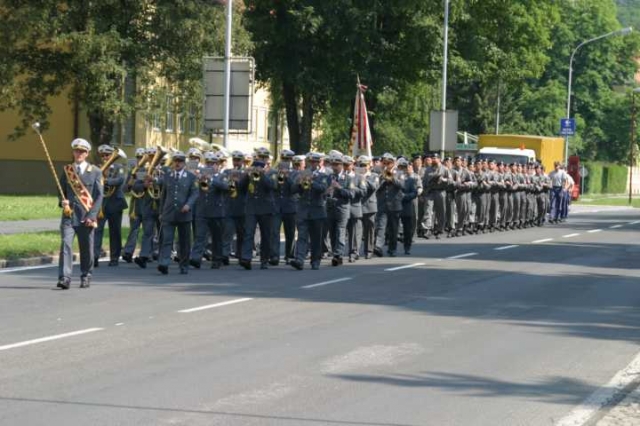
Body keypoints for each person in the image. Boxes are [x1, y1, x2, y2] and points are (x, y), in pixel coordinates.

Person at [57, 138, 103, 289]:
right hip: (69, 216)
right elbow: (61, 191)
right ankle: (65, 277)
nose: (79, 154)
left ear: (87, 153)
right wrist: (62, 202)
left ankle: (86, 275)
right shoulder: (67, 170)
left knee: (86, 248)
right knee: (66, 245)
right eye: (77, 151)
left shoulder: (95, 171)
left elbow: (99, 196)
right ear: (73, 152)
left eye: (82, 151)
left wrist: (92, 216)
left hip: (86, 216)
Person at [156, 151, 199, 275]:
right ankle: (164, 263)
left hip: (184, 214)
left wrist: (188, 205)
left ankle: (184, 265)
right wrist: (161, 212)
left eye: (180, 161)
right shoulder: (168, 175)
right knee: (166, 239)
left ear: (184, 163)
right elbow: (163, 195)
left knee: (184, 242)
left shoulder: (191, 177)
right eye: (175, 161)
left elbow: (195, 193)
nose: (177, 163)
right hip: (169, 213)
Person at [290, 153, 330, 270]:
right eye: (310, 162)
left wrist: (312, 182)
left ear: (319, 163)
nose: (312, 164)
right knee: (302, 236)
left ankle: (315, 260)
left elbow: (323, 189)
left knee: (316, 238)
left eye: (315, 162)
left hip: (317, 211)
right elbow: (293, 190)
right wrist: (298, 183)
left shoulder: (324, 175)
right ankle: (299, 260)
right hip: (303, 210)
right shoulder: (302, 174)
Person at [93, 144, 127, 267]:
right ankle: (94, 256)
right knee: (97, 230)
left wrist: (105, 181)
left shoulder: (119, 167)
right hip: (101, 204)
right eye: (102, 155)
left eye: (107, 155)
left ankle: (114, 257)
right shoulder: (96, 168)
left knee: (115, 231)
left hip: (115, 203)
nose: (105, 157)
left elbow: (121, 180)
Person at [239, 158, 276, 270]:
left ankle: (264, 259)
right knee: (249, 233)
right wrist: (246, 175)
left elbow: (272, 186)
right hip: (251, 208)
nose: (257, 169)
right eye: (256, 167)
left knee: (266, 235)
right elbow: (240, 188)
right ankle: (246, 258)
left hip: (265, 209)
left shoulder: (271, 174)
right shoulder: (250, 176)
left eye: (260, 167)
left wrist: (262, 174)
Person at [326, 152, 355, 266]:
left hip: (342, 208)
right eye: (332, 164)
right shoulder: (329, 177)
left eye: (336, 164)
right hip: (330, 208)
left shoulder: (348, 178)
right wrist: (327, 191)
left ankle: (339, 254)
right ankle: (335, 253)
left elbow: (351, 194)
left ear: (342, 165)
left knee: (340, 231)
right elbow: (324, 192)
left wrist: (339, 187)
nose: (334, 167)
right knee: (332, 233)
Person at [374, 153, 405, 256]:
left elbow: (401, 185)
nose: (386, 164)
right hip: (382, 204)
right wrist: (382, 178)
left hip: (395, 205)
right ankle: (378, 246)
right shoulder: (378, 172)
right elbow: (376, 187)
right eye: (384, 162)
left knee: (393, 229)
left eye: (389, 163)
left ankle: (392, 249)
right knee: (381, 226)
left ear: (393, 163)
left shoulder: (399, 172)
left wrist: (391, 177)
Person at [270, 149, 297, 265]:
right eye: (284, 159)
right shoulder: (273, 173)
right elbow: (272, 187)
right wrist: (278, 176)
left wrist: (287, 177)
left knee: (290, 233)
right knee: (274, 232)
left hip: (290, 207)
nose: (286, 162)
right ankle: (275, 256)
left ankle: (289, 255)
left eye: (288, 159)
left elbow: (295, 189)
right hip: (276, 207)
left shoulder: (295, 173)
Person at [122, 147, 147, 263]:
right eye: (138, 157)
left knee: (148, 230)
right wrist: (131, 179)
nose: (140, 159)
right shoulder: (133, 170)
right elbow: (125, 188)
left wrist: (137, 184)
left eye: (142, 157)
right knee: (134, 229)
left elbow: (145, 187)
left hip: (147, 204)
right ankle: (128, 251)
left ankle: (147, 252)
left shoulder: (149, 170)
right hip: (136, 204)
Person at [358, 155, 379, 259]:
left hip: (370, 206)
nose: (363, 167)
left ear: (369, 165)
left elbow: (374, 187)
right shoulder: (356, 176)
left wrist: (364, 178)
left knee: (369, 229)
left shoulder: (374, 175)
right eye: (361, 165)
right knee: (357, 230)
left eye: (364, 165)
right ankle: (356, 251)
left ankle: (369, 250)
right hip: (358, 206)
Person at [398, 158, 418, 254]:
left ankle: (407, 247)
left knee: (407, 229)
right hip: (395, 206)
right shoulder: (395, 178)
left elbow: (414, 193)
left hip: (406, 206)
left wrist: (404, 196)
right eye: (400, 167)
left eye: (404, 167)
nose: (402, 169)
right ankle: (392, 248)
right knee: (393, 228)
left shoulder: (411, 180)